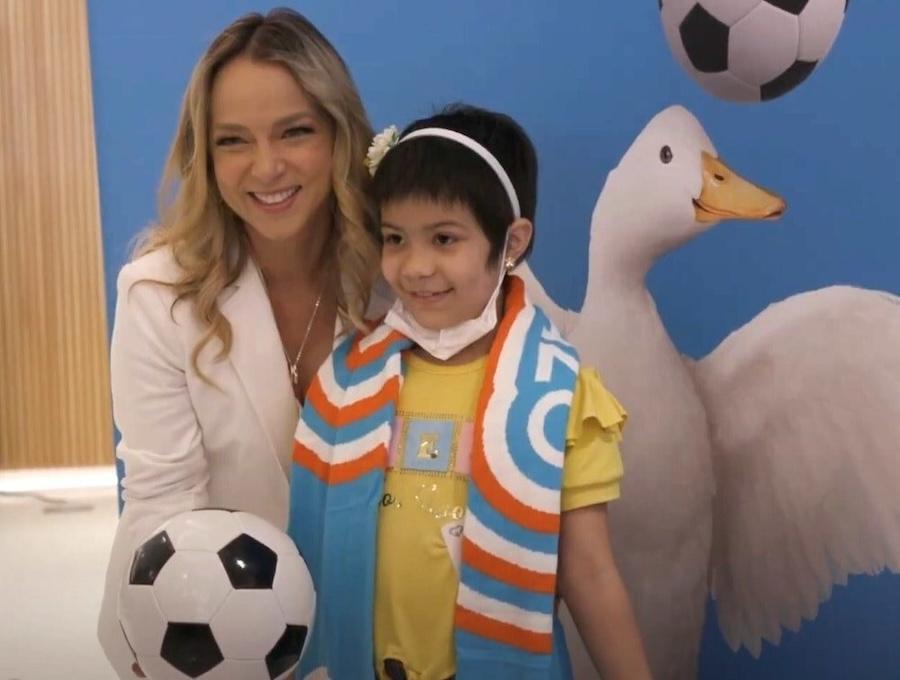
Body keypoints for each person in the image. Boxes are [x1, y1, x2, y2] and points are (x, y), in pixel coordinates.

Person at [288, 105, 651, 679]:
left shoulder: (559, 397)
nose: (415, 266)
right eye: (396, 238)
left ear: (511, 241)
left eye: (444, 238)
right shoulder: (345, 385)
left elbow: (590, 573)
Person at [97, 9, 387, 678]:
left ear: (339, 134)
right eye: (233, 140)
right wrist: (167, 632)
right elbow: (160, 496)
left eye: (295, 132)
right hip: (200, 632)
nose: (266, 167)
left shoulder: (404, 278)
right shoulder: (156, 294)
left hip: (370, 635)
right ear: (204, 153)